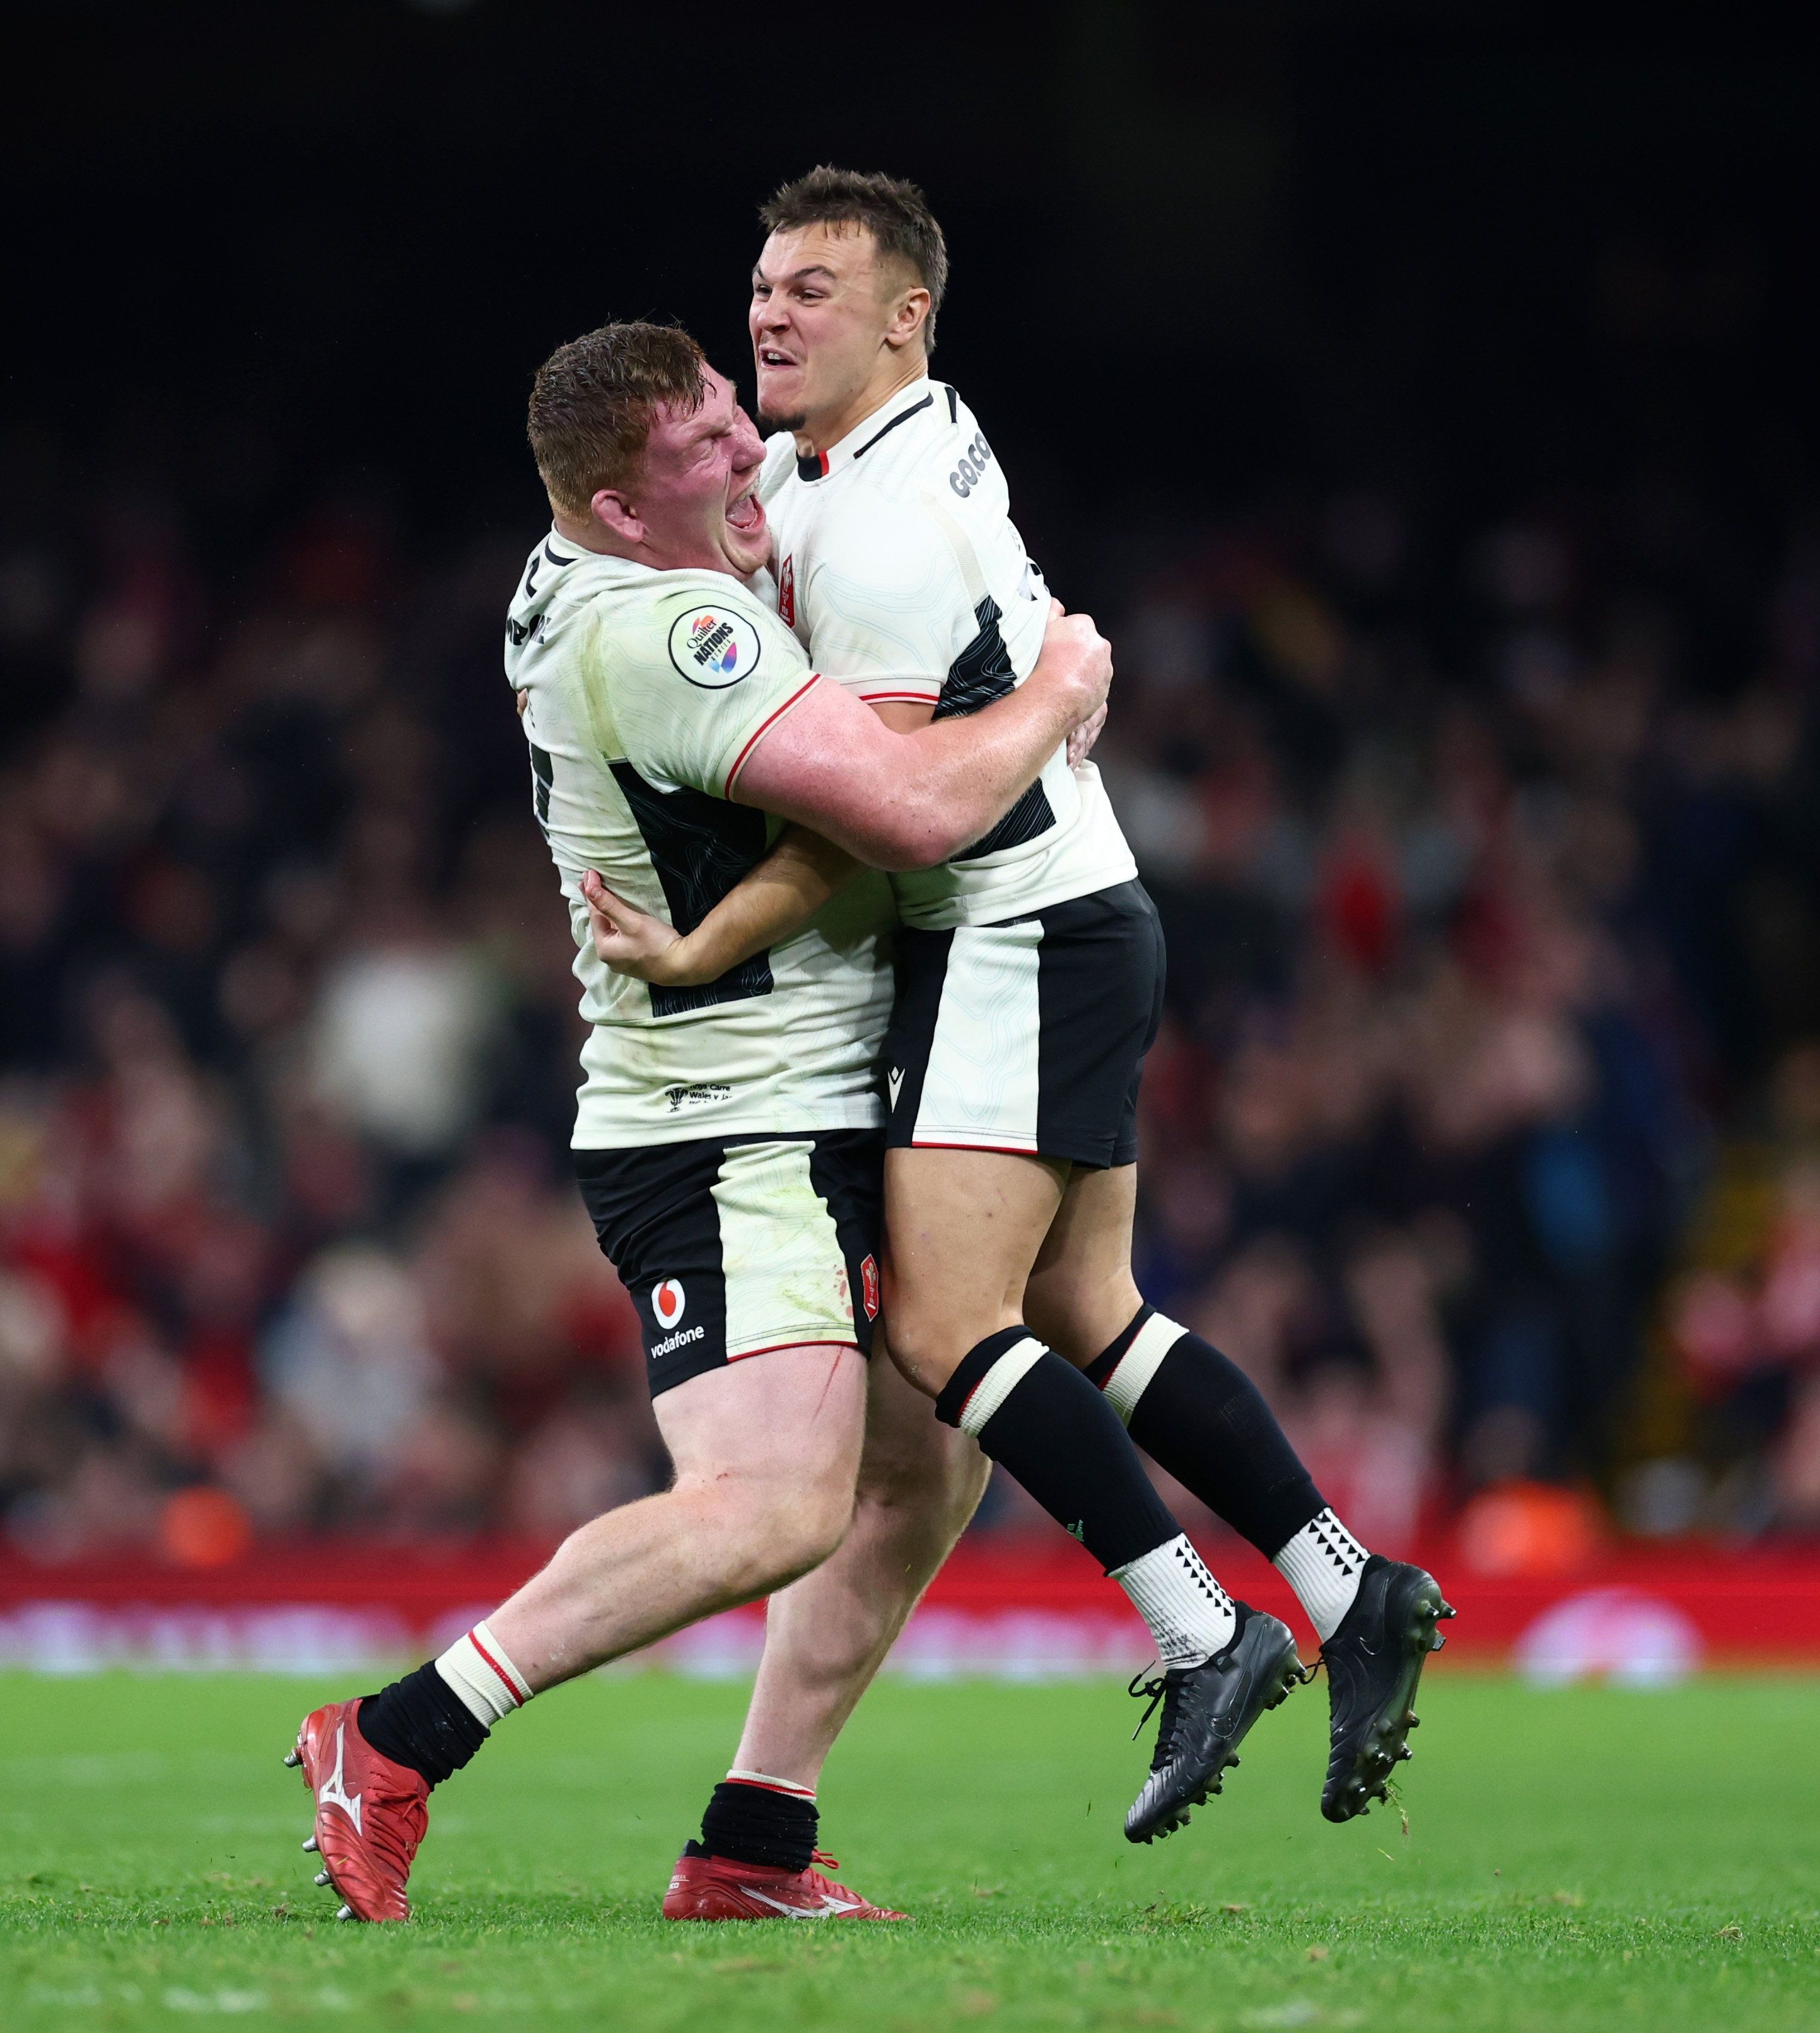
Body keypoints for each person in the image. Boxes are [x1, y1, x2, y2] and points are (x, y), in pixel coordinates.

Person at [581, 170, 1452, 1911]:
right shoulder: (873, 456)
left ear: (904, 317)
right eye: (763, 283)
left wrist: (697, 943)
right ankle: (1345, 1586)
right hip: (1074, 915)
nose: (769, 312)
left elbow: (882, 819)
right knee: (1083, 1308)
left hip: (1010, 934)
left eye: (813, 289)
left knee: (944, 1324)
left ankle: (1199, 1629)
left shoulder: (882, 531)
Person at [284, 320, 1112, 1923]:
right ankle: (391, 1739)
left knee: (925, 1461)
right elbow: (914, 809)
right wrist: (1059, 678)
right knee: (777, 1503)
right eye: (705, 450)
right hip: (735, 1126)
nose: (752, 452)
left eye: (736, 412)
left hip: (800, 1094)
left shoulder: (576, 568)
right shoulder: (667, 629)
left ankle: (754, 1840)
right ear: (617, 509)